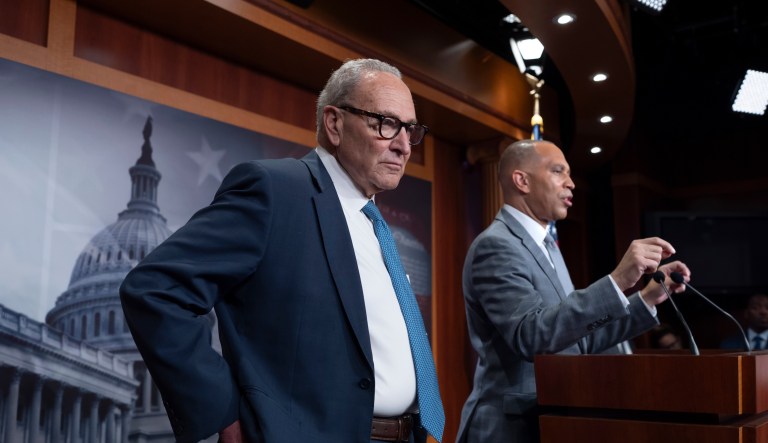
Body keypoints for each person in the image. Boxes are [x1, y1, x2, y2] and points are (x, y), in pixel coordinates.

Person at [120, 58, 444, 443]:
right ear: (335, 124)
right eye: (386, 124)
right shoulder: (275, 190)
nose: (404, 146)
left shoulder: (372, 221)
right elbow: (155, 290)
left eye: (410, 129)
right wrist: (223, 414)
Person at [455, 139, 691, 443]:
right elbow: (532, 336)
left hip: (553, 419)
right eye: (558, 172)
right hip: (510, 429)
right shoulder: (496, 245)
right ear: (521, 180)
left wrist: (648, 297)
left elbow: (576, 338)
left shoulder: (548, 246)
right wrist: (618, 279)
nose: (571, 184)